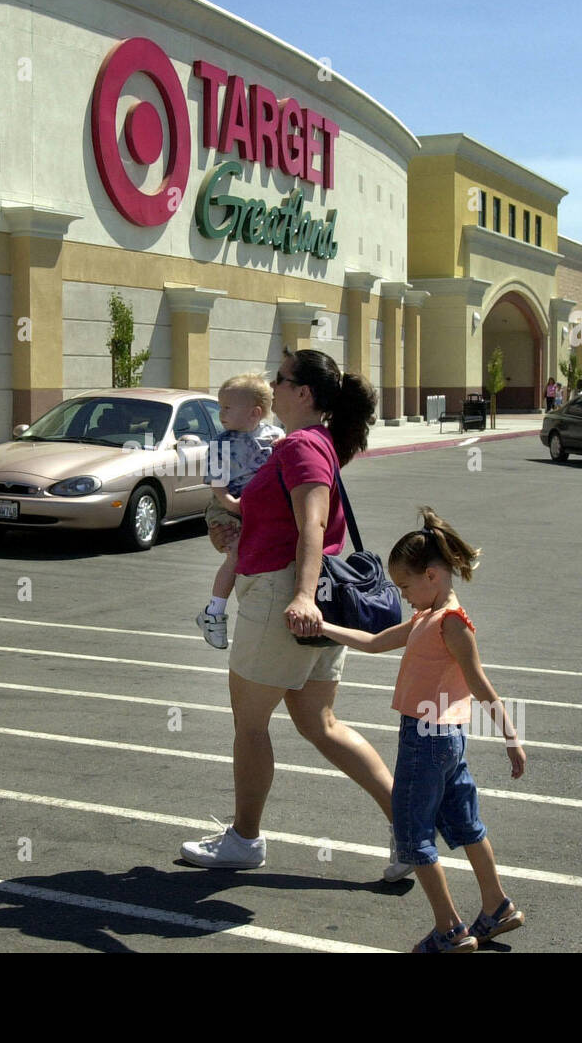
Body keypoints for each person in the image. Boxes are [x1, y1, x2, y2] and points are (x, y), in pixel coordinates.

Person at [180, 348, 413, 881]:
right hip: (304, 595)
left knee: (251, 723)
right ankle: (411, 833)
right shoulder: (307, 444)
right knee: (320, 724)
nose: (272, 386)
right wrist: (230, 529)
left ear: (303, 393)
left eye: (280, 380)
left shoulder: (303, 446)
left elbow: (312, 526)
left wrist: (302, 596)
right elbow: (281, 519)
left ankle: (244, 840)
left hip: (286, 599)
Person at [319, 508, 526, 952]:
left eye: (405, 586)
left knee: (414, 836)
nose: (404, 595)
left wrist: (511, 737)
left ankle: (449, 929)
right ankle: (497, 907)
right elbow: (375, 643)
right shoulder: (430, 616)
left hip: (425, 740)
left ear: (432, 575)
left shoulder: (450, 623)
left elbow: (480, 682)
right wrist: (323, 626)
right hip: (448, 741)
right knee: (467, 825)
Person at [195, 374, 284, 649]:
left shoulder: (275, 436)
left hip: (258, 509)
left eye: (228, 408)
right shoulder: (221, 443)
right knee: (236, 554)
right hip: (227, 508)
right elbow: (218, 487)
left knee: (254, 557)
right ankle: (213, 612)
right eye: (220, 407)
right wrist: (232, 503)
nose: (221, 414)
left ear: (255, 413)